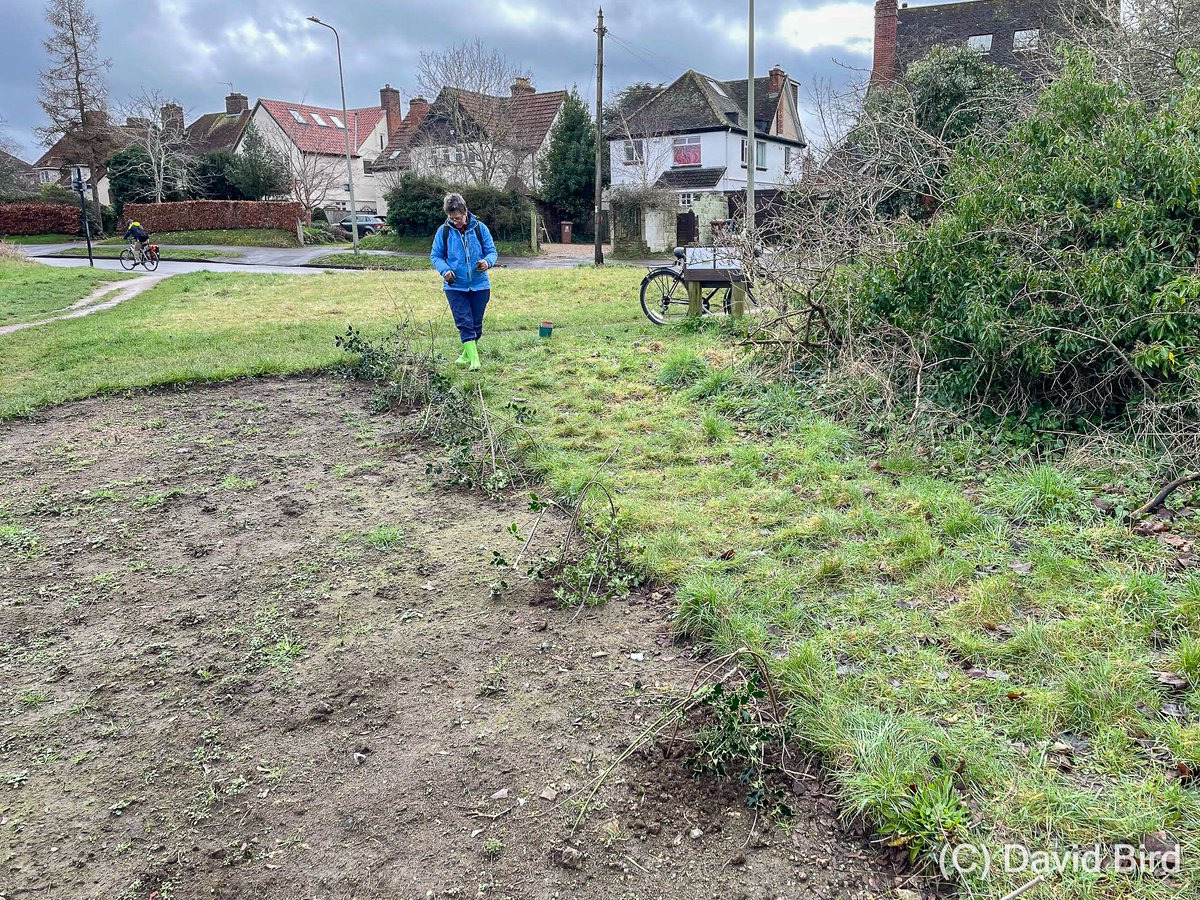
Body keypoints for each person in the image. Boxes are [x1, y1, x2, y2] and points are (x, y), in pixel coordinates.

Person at [429, 193, 497, 371]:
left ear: (465, 211)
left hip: (480, 285)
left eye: (458, 218)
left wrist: (486, 262)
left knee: (476, 326)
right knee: (464, 323)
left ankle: (466, 355)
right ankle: (475, 362)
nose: (455, 221)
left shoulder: (480, 229)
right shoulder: (443, 232)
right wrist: (445, 270)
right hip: (455, 286)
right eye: (451, 218)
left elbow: (492, 252)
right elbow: (435, 256)